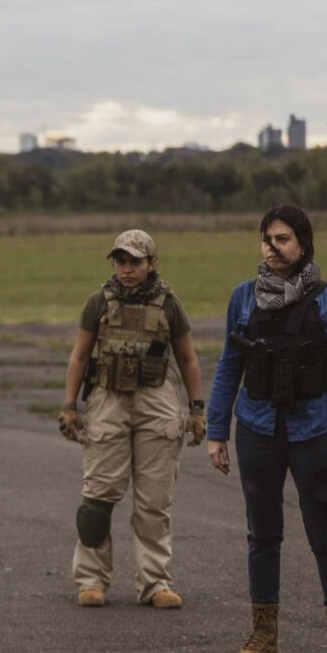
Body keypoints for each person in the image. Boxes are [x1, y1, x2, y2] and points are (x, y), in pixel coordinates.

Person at [207, 204, 327, 653]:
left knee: (326, 535)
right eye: (266, 239)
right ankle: (265, 638)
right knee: (263, 534)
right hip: (257, 429)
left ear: (303, 243)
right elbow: (228, 368)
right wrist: (216, 430)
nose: (273, 247)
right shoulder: (243, 298)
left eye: (282, 239)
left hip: (315, 430)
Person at [58, 230, 204, 609]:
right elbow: (78, 355)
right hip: (107, 399)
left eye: (135, 261)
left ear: (151, 263)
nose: (126, 269)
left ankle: (155, 582)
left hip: (157, 400)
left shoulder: (170, 305)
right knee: (96, 501)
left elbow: (188, 359)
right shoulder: (98, 302)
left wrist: (197, 410)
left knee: (154, 501)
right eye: (120, 261)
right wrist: (69, 406)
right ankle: (91, 579)